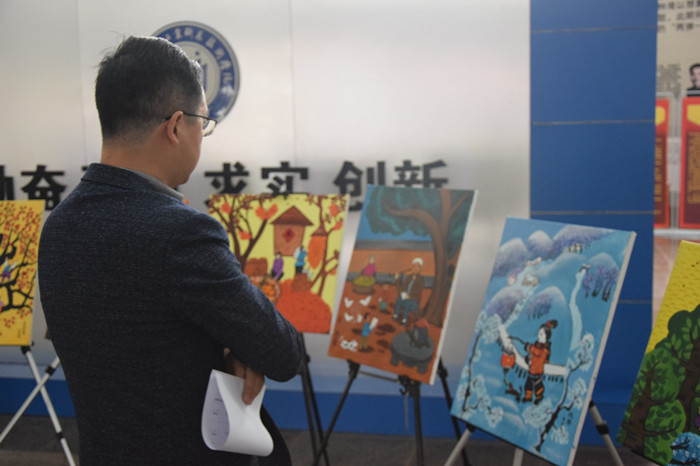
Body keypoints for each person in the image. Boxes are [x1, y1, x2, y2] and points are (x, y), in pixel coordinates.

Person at [38, 36, 304, 466]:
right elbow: (283, 352)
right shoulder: (180, 233)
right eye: (204, 123)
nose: (203, 135)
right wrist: (237, 346)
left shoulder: (59, 225)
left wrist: (229, 345)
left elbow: (135, 338)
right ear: (176, 126)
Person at [392, 257, 425, 325]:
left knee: (407, 303)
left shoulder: (421, 279)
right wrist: (397, 279)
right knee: (399, 299)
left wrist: (409, 296)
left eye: (417, 267)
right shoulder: (409, 277)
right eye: (413, 266)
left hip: (414, 301)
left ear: (420, 268)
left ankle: (404, 320)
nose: (415, 268)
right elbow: (403, 289)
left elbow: (418, 294)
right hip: (406, 298)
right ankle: (396, 315)